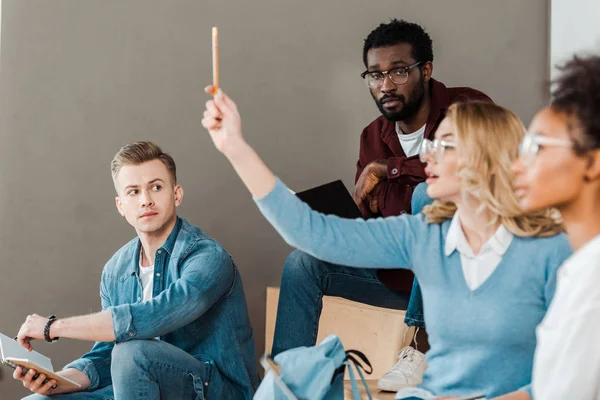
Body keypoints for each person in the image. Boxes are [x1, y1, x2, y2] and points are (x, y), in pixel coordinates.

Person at [201, 91, 571, 399]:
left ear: (486, 157)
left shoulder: (549, 251)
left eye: (445, 145)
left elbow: (577, 364)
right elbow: (312, 232)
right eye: (432, 144)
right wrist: (234, 147)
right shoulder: (423, 235)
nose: (428, 156)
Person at [273, 19, 491, 391]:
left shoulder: (466, 107)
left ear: (426, 70)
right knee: (303, 262)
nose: (386, 85)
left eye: (399, 72)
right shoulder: (373, 136)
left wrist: (389, 168)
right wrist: (335, 222)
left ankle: (419, 350)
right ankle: (287, 383)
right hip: (398, 274)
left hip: (463, 273)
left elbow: (481, 170)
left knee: (428, 196)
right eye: (375, 75)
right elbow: (373, 221)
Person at [14, 141, 258, 399]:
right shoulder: (115, 271)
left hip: (213, 393)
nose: (146, 201)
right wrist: (59, 380)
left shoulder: (207, 257)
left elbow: (155, 315)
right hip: (137, 385)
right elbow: (106, 356)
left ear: (176, 194)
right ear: (121, 205)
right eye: (133, 192)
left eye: (156, 187)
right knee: (37, 399)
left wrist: (53, 327)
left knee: (132, 352)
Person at [513, 54, 600, 400]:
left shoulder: (593, 284)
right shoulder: (580, 268)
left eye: (537, 147)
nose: (518, 166)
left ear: (592, 162)